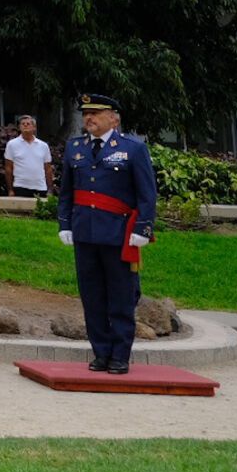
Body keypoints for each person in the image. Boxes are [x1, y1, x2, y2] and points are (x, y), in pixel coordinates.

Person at [56, 91, 158, 375]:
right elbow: (67, 192)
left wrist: (143, 229)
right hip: (85, 233)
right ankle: (101, 352)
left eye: (96, 113)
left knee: (121, 297)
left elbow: (147, 194)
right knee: (92, 297)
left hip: (118, 234)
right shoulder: (75, 147)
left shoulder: (132, 149)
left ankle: (120, 355)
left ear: (113, 118)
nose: (89, 118)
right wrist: (64, 223)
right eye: (86, 114)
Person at [2, 116, 54, 197]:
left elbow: (48, 169)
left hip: (40, 187)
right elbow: (8, 168)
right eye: (23, 124)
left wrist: (50, 189)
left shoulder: (43, 146)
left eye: (28, 124)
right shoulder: (12, 145)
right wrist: (10, 190)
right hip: (20, 187)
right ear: (19, 127)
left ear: (34, 127)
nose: (25, 125)